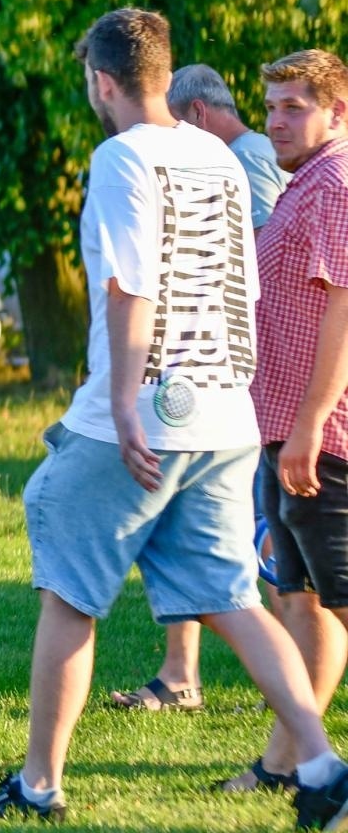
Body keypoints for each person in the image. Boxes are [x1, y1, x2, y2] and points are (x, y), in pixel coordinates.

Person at [0, 8, 348, 832]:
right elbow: (241, 285)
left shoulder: (120, 156)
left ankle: (38, 787)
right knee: (233, 595)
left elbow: (132, 286)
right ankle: (321, 767)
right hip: (227, 413)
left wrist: (124, 407)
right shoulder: (218, 155)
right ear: (167, 76)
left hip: (148, 411)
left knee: (68, 585)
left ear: (102, 82)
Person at [108, 63, 291, 713]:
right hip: (221, 381)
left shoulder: (246, 158)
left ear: (198, 113)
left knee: (259, 536)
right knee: (199, 533)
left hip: (239, 379)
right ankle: (183, 672)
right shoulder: (240, 154)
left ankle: (300, 677)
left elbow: (267, 266)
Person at [215, 49, 348, 795]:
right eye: (269, 108)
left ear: (337, 112)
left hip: (321, 441)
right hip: (287, 432)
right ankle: (286, 763)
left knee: (340, 601)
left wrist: (310, 426)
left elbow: (345, 306)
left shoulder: (333, 184)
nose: (275, 122)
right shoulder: (308, 183)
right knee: (303, 604)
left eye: (294, 106)